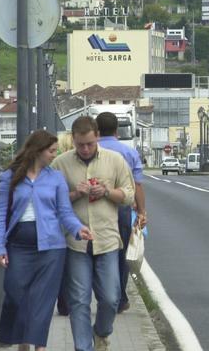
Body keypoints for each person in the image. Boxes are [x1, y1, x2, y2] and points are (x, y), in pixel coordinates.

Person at [0, 130, 94, 351]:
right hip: (18, 245)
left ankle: (39, 346)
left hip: (51, 248)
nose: (54, 155)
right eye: (51, 151)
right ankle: (22, 340)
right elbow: (1, 214)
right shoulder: (9, 176)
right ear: (37, 151)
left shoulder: (55, 177)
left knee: (43, 302)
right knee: (15, 294)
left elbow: (64, 212)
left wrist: (78, 229)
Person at [52, 116, 135, 351]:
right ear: (73, 141)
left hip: (107, 239)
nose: (85, 149)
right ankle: (82, 347)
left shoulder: (115, 161)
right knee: (79, 300)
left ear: (97, 136)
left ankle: (101, 332)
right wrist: (75, 194)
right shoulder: (60, 164)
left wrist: (107, 191)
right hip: (75, 243)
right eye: (80, 145)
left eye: (89, 143)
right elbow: (51, 202)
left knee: (111, 298)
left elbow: (128, 195)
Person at [94, 112, 147, 314]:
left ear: (97, 131)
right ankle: (120, 296)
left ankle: (103, 295)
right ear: (117, 130)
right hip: (122, 209)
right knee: (121, 253)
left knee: (98, 252)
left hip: (95, 209)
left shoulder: (90, 149)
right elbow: (138, 185)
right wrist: (142, 211)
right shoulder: (129, 152)